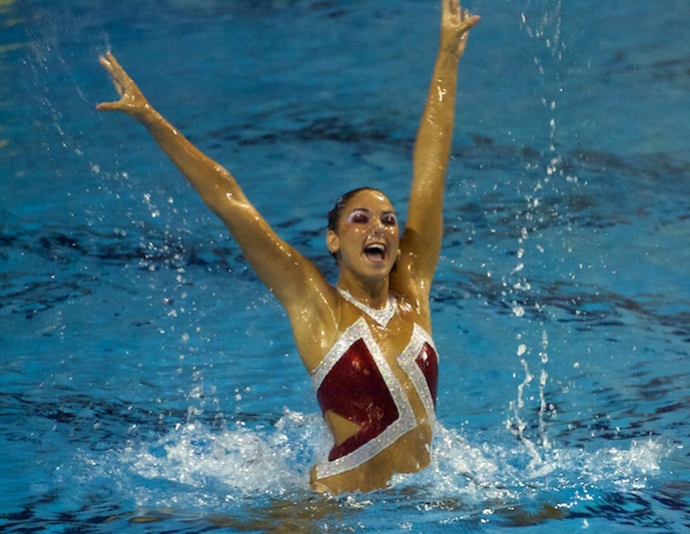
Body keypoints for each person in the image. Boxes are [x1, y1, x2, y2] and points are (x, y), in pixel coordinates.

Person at [97, 0, 479, 494]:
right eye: (360, 220)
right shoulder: (316, 305)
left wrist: (448, 54)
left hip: (422, 503)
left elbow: (431, 170)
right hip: (333, 510)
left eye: (388, 220)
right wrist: (152, 119)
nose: (379, 229)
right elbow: (231, 202)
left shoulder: (414, 293)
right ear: (334, 241)